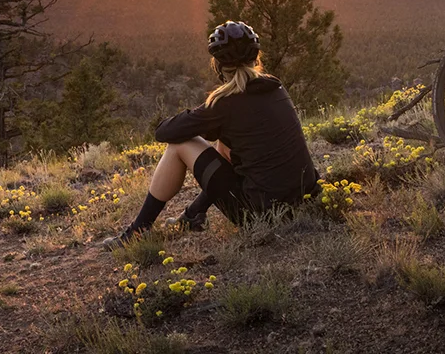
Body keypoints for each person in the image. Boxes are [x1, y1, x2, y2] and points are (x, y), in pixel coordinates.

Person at [102, 21, 318, 249]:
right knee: (224, 143)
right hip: (303, 200)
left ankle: (139, 230)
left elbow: (164, 132)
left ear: (218, 65)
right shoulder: (275, 88)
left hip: (262, 215)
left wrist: (199, 114)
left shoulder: (225, 103)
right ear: (256, 58)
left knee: (179, 145)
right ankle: (194, 214)